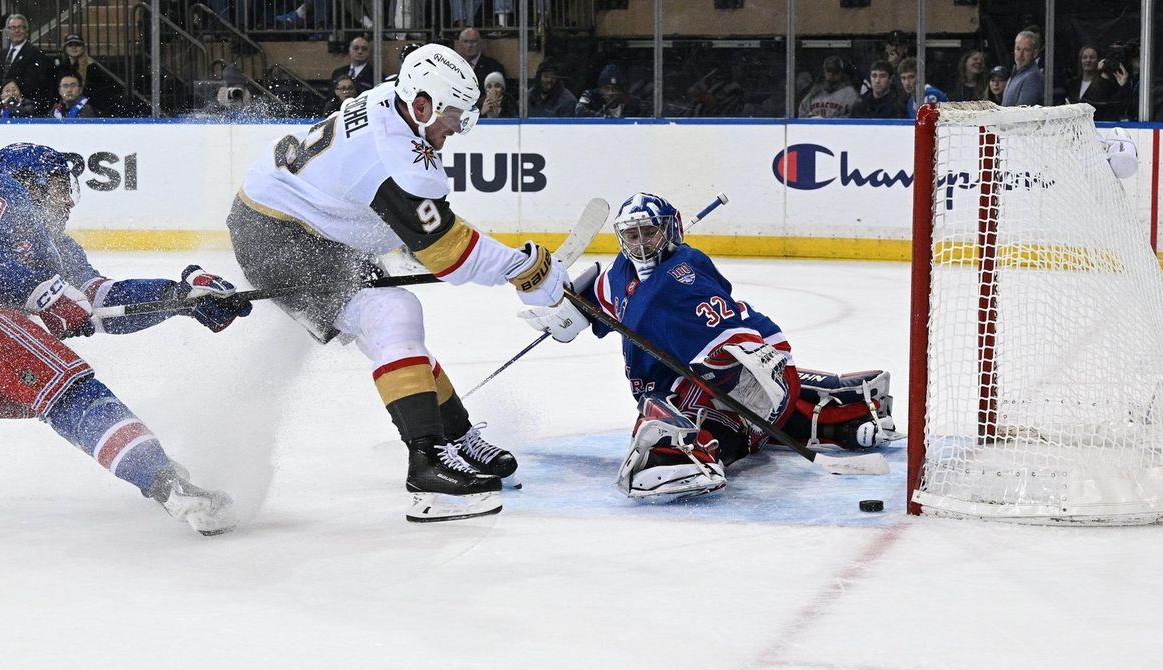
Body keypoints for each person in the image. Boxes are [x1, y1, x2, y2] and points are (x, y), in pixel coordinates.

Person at [226, 43, 574, 522]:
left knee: (393, 330)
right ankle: (427, 467)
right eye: (453, 116)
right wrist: (528, 271)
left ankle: (454, 438)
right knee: (393, 312)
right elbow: (449, 255)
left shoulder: (399, 101)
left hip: (308, 227)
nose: (457, 127)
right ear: (423, 105)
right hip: (279, 235)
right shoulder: (393, 157)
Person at [519, 193, 899, 501]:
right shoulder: (621, 271)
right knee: (670, 403)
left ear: (669, 230)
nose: (640, 244)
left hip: (751, 372)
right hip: (704, 377)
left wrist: (738, 388)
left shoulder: (683, 279)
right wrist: (570, 309)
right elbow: (605, 294)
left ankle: (695, 453)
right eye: (632, 236)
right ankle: (839, 408)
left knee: (663, 421)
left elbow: (738, 349)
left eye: (649, 232)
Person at [0, 143, 251, 534]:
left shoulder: (56, 250)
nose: (69, 200)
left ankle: (147, 467)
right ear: (29, 183)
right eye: (58, 185)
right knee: (67, 389)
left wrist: (179, 297)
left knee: (52, 396)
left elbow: (99, 303)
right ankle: (165, 482)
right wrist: (44, 294)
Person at [0, 14, 49, 105]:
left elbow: (33, 82)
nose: (17, 31)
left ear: (26, 31)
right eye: (13, 28)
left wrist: (12, 93)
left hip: (24, 104)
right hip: (0, 104)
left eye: (20, 27)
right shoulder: (1, 54)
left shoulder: (36, 54)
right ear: (7, 32)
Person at [575, 64, 641, 118]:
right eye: (606, 88)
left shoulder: (630, 101)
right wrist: (603, 117)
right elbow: (580, 111)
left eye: (615, 88)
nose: (611, 92)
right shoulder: (591, 96)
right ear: (600, 89)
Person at [1002, 30, 1044, 106]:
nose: (1020, 55)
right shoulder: (1016, 73)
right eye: (1018, 49)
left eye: (1026, 50)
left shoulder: (1032, 77)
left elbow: (1022, 110)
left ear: (1035, 53)